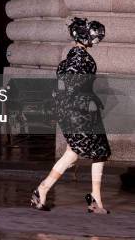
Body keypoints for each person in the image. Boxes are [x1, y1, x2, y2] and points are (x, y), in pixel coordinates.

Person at [31, 17, 110, 213]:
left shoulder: (72, 57)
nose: (96, 40)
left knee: (79, 152)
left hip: (74, 112)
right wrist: (87, 101)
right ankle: (93, 200)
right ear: (85, 36)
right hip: (78, 113)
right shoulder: (79, 58)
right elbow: (71, 87)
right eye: (94, 37)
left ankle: (43, 190)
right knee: (91, 151)